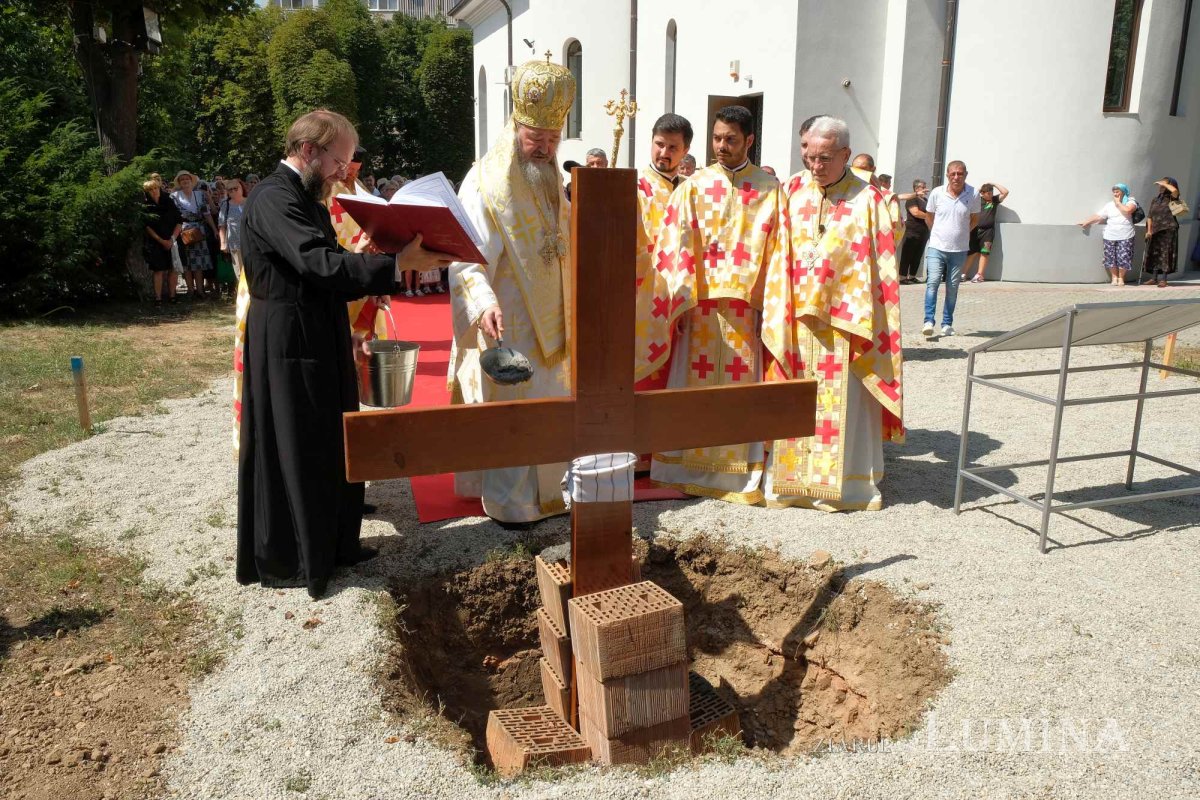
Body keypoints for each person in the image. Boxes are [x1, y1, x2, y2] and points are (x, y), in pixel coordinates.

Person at [236, 109, 453, 598]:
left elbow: (324, 268)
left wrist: (349, 329)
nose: (343, 172)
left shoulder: (304, 196)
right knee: (301, 442)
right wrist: (398, 263)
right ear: (309, 150)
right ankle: (298, 555)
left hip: (317, 331)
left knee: (333, 438)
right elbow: (321, 264)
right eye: (340, 160)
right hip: (288, 340)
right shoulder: (274, 197)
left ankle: (336, 543)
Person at [447, 58, 577, 525]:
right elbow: (464, 256)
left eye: (552, 139)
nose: (544, 148)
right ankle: (512, 505)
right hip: (510, 322)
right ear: (516, 124)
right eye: (535, 138)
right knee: (515, 409)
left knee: (551, 406)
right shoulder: (484, 182)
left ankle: (554, 494)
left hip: (557, 321)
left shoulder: (551, 184)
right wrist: (482, 304)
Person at [646, 105, 789, 504]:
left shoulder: (770, 190)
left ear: (749, 141)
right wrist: (678, 299)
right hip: (700, 306)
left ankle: (736, 474)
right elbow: (673, 244)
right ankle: (684, 464)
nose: (721, 146)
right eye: (716, 138)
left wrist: (769, 303)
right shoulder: (694, 186)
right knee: (693, 387)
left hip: (746, 309)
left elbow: (780, 253)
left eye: (730, 139)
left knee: (739, 389)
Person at [764, 115, 904, 511]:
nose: (814, 165)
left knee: (841, 405)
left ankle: (846, 486)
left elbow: (881, 266)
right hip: (795, 317)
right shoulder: (790, 188)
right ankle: (790, 484)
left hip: (846, 325)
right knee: (794, 398)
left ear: (846, 154)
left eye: (825, 158)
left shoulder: (869, 199)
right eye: (808, 155)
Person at [633, 112, 692, 389]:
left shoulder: (693, 191)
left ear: (685, 151)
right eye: (659, 144)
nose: (663, 153)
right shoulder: (635, 187)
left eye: (673, 147)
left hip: (684, 295)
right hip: (645, 295)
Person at [922, 160, 979, 337]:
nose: (956, 177)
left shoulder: (973, 193)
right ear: (947, 175)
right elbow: (929, 217)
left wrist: (961, 233)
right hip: (937, 247)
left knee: (952, 286)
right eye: (953, 173)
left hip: (959, 249)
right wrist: (938, 234)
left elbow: (974, 219)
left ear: (965, 175)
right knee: (932, 282)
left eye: (960, 174)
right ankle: (928, 321)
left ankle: (947, 323)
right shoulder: (937, 193)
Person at [1078, 183, 1137, 286]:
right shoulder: (1109, 205)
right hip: (1110, 235)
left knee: (1124, 257)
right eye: (1114, 191)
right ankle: (1114, 277)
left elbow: (1128, 210)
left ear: (1123, 192)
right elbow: (1099, 216)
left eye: (1117, 191)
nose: (1115, 193)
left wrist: (1118, 203)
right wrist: (1087, 222)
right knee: (1110, 257)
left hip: (1126, 234)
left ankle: (1121, 278)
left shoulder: (1131, 201)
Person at [170, 170, 217, 299]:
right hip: (182, 230)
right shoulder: (174, 196)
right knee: (186, 263)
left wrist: (214, 229)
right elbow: (173, 217)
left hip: (199, 231)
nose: (185, 181)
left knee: (199, 263)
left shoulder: (200, 195)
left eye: (187, 179)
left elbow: (207, 214)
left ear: (192, 181)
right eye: (182, 179)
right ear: (179, 183)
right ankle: (190, 291)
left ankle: (200, 291)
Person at [142, 177, 182, 304]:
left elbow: (179, 221)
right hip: (156, 242)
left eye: (155, 188)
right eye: (150, 189)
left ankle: (173, 296)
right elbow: (147, 227)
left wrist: (172, 239)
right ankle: (158, 298)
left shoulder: (169, 201)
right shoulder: (146, 206)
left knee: (173, 269)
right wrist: (162, 241)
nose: (154, 191)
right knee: (158, 270)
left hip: (173, 240)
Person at [964, 182, 1010, 283]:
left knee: (984, 252)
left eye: (991, 192)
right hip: (975, 230)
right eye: (987, 193)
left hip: (988, 232)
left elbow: (1005, 192)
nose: (990, 195)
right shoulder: (977, 200)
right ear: (983, 193)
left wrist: (993, 184)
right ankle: (963, 274)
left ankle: (979, 275)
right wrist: (980, 189)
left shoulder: (994, 200)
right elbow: (971, 195)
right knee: (972, 252)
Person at [1144, 177, 1181, 287]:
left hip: (1168, 229)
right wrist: (1149, 231)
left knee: (1166, 253)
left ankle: (1164, 279)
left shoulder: (1172, 197)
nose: (1160, 187)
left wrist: (1165, 184)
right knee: (1155, 253)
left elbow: (1175, 191)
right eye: (1160, 185)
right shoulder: (1155, 200)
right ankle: (1154, 278)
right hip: (1156, 230)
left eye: (1163, 185)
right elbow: (1150, 216)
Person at [899, 179, 930, 284]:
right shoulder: (912, 199)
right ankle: (902, 277)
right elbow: (916, 212)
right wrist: (930, 218)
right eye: (923, 186)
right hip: (912, 231)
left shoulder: (925, 200)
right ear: (917, 188)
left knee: (918, 254)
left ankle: (912, 276)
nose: (926, 189)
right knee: (908, 254)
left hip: (924, 231)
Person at [218, 178, 248, 279]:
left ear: (242, 188)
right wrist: (223, 243)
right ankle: (243, 294)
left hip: (251, 243)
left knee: (252, 270)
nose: (233, 191)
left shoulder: (250, 202)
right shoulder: (225, 205)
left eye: (236, 188)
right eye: (230, 189)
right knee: (239, 272)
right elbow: (222, 226)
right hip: (235, 244)